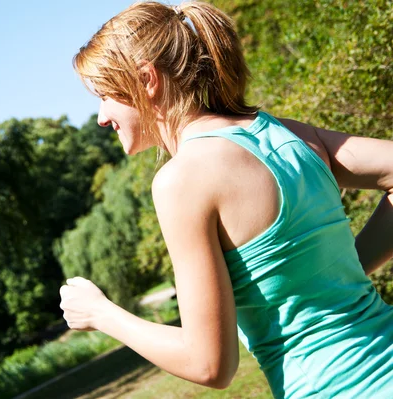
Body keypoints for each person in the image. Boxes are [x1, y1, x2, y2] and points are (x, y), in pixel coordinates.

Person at [58, 1, 393, 398]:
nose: (100, 116)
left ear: (147, 79)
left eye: (106, 95)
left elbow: (209, 364)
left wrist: (101, 313)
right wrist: (343, 268)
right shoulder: (285, 134)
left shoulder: (181, 180)